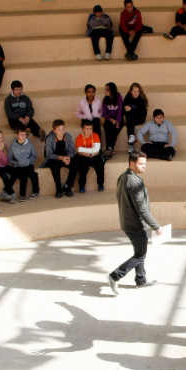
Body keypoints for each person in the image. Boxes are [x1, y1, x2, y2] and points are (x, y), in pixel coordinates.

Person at [108, 151, 163, 295]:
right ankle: (115, 275)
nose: (144, 167)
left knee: (140, 252)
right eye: (141, 164)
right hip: (135, 225)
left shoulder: (123, 177)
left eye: (145, 164)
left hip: (127, 221)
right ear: (132, 163)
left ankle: (141, 280)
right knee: (140, 255)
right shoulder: (135, 182)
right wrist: (156, 226)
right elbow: (142, 210)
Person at [44, 119, 77, 198]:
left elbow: (71, 149)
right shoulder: (49, 138)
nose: (61, 131)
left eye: (63, 129)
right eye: (59, 130)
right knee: (55, 168)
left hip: (65, 157)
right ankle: (58, 188)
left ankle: (67, 186)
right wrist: (61, 158)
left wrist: (68, 157)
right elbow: (48, 154)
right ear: (54, 131)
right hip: (53, 158)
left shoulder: (68, 136)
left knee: (76, 165)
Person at [7, 126, 39, 202]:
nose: (23, 136)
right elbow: (10, 158)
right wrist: (17, 163)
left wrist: (29, 161)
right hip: (18, 166)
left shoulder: (29, 144)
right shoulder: (13, 146)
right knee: (23, 176)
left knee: (33, 175)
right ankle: (22, 194)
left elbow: (34, 155)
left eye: (25, 134)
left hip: (28, 164)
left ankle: (35, 191)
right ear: (16, 135)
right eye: (21, 134)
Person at [73, 119, 105, 192]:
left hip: (95, 155)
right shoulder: (79, 137)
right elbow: (78, 151)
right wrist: (89, 153)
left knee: (100, 165)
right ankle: (82, 185)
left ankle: (100, 184)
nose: (89, 130)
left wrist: (85, 151)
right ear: (83, 129)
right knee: (83, 166)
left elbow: (97, 151)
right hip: (84, 156)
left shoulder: (95, 136)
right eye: (87, 129)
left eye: (90, 128)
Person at [123, 82, 148, 153]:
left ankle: (131, 144)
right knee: (129, 117)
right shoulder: (128, 97)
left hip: (140, 118)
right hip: (131, 118)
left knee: (129, 122)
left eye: (138, 91)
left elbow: (141, 112)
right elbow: (123, 108)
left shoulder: (142, 99)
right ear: (131, 91)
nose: (136, 93)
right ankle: (131, 138)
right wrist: (126, 108)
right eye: (134, 91)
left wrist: (131, 108)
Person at [101, 82, 124, 158]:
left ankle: (109, 149)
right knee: (107, 128)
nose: (105, 91)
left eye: (107, 89)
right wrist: (110, 119)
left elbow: (120, 111)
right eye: (105, 89)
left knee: (115, 130)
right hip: (109, 118)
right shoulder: (105, 100)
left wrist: (118, 122)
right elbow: (104, 113)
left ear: (112, 90)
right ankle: (110, 149)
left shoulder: (118, 97)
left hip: (118, 118)